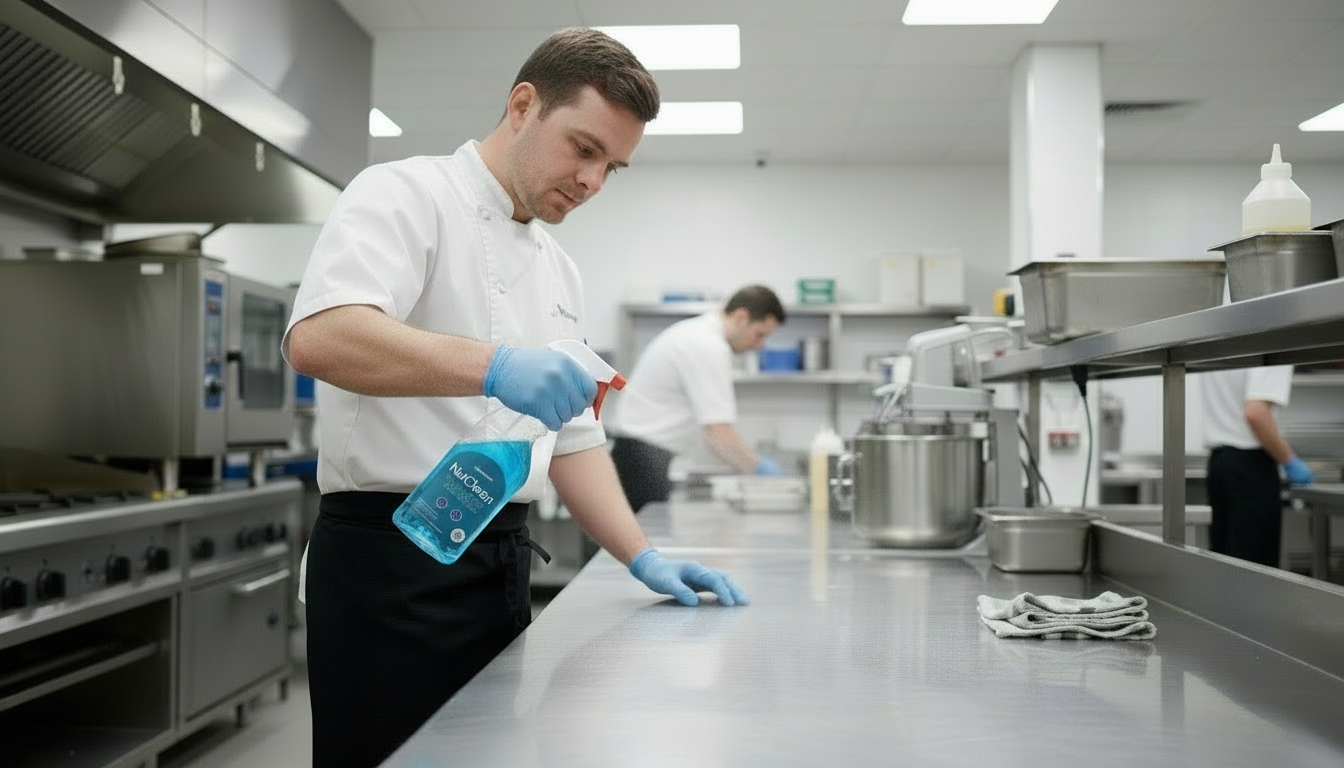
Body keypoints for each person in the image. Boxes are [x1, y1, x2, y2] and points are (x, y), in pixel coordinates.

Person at [284, 28, 749, 768]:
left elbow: (574, 438)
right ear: (523, 105)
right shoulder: (406, 194)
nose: (592, 182)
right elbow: (322, 337)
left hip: (500, 562)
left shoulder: (560, 270)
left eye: (612, 167)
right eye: (583, 148)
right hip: (391, 563)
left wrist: (642, 555)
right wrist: (494, 366)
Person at [609, 285, 788, 512]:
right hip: (640, 463)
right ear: (741, 317)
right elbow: (717, 433)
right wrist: (759, 468)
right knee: (633, 534)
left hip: (640, 456)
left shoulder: (697, 335)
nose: (759, 345)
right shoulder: (707, 345)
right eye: (759, 334)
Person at [1202, 365, 1313, 568]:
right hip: (1251, 467)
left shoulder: (1216, 347)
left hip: (1219, 463)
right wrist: (1289, 460)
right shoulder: (1275, 349)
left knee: (1224, 568)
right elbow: (1256, 413)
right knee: (1255, 570)